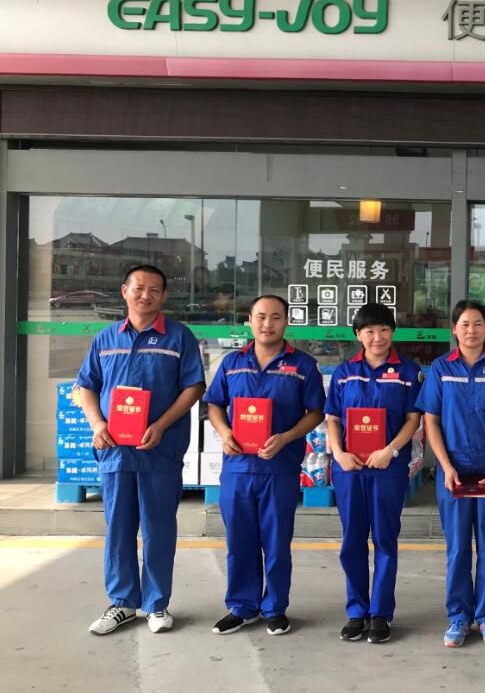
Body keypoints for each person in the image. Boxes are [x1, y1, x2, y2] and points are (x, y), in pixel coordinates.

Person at [77, 264, 206, 635]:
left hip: (159, 451)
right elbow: (87, 386)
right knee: (118, 529)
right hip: (115, 452)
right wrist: (97, 425)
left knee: (158, 528)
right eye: (139, 288)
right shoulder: (105, 338)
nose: (146, 295)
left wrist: (161, 425)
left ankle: (156, 604)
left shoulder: (178, 337)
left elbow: (194, 387)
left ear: (164, 296)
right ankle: (122, 603)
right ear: (124, 291)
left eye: (154, 290)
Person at [204, 295, 325, 636]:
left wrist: (286, 437)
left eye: (275, 317)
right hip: (238, 468)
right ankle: (243, 607)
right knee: (239, 541)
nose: (267, 324)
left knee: (276, 542)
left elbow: (315, 412)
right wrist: (225, 432)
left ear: (286, 322)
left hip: (279, 468)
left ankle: (274, 607)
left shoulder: (303, 365)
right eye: (260, 316)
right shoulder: (231, 362)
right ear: (249, 320)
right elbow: (215, 404)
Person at [416, 300, 485, 648]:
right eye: (464, 324)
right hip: (454, 471)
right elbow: (431, 421)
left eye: (478, 323)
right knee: (459, 546)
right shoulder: (441, 368)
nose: (471, 330)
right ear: (454, 329)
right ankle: (459, 617)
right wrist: (445, 467)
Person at [326, 303, 423, 643]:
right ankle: (357, 611)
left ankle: (380, 613)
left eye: (384, 329)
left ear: (392, 332)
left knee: (384, 539)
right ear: (358, 334)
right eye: (369, 330)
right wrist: (338, 454)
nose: (377, 337)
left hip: (387, 468)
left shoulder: (408, 372)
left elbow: (413, 419)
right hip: (350, 469)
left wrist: (390, 451)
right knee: (352, 540)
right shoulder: (344, 372)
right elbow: (333, 418)